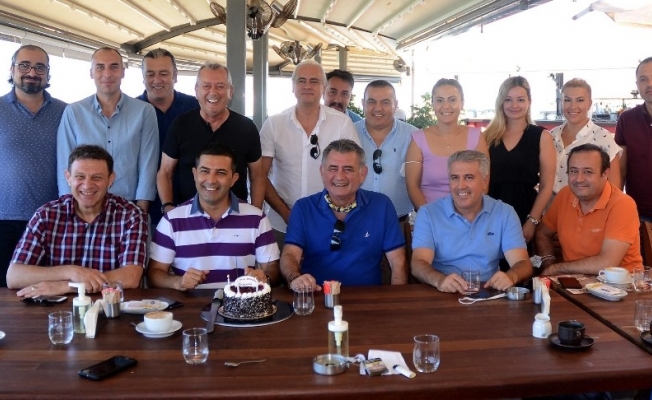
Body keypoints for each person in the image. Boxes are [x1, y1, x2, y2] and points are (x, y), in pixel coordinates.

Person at [6, 145, 148, 297]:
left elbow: (132, 276)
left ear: (110, 179)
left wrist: (68, 286)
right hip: (55, 308)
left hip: (109, 306)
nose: (87, 185)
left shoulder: (131, 216)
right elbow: (14, 276)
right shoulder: (46, 215)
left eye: (97, 177)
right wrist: (72, 272)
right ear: (68, 177)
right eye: (80, 176)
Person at [148, 143, 279, 290]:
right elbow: (154, 274)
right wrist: (177, 282)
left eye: (221, 173)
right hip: (187, 304)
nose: (211, 180)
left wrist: (264, 277)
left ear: (234, 179)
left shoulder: (256, 218)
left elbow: (273, 268)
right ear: (194, 174)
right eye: (205, 171)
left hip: (240, 303)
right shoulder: (171, 221)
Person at [280, 139, 407, 289]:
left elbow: (398, 262)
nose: (340, 176)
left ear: (362, 174)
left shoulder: (381, 205)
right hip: (317, 295)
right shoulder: (303, 208)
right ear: (322, 172)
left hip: (368, 297)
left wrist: (396, 300)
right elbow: (290, 255)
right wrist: (295, 278)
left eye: (348, 169)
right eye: (333, 168)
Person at [261, 60, 359, 246]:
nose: (307, 86)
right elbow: (260, 175)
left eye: (314, 81)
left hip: (330, 223)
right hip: (281, 224)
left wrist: (334, 213)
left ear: (323, 87)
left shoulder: (342, 124)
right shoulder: (274, 124)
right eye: (301, 80)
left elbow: (353, 173)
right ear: (293, 86)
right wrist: (286, 214)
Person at [411, 150, 532, 294]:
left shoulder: (504, 212)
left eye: (469, 177)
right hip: (443, 292)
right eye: (455, 178)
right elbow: (418, 263)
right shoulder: (428, 213)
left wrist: (511, 276)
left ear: (485, 181)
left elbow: (523, 263)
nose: (460, 185)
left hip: (488, 292)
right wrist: (440, 280)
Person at [57, 47, 159, 213]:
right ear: (91, 72)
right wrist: (69, 211)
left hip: (129, 208)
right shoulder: (73, 112)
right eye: (100, 67)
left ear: (123, 72)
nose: (107, 73)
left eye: (114, 67)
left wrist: (141, 210)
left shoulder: (144, 112)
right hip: (84, 207)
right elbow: (65, 164)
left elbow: (148, 163)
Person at [158, 62, 263, 215]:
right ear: (196, 91)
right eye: (206, 86)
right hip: (188, 218)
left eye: (220, 86)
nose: (213, 92)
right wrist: (168, 207)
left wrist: (256, 214)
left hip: (236, 217)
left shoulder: (247, 128)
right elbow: (165, 172)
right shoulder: (180, 125)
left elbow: (258, 176)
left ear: (230, 91)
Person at [0, 45, 67, 287]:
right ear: (12, 69)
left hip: (54, 220)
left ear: (48, 73)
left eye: (40, 67)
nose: (32, 72)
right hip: (4, 219)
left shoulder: (65, 112)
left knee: (51, 292)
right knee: (5, 293)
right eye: (24, 65)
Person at [536, 144, 642, 275]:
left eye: (588, 172)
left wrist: (555, 269)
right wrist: (548, 263)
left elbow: (607, 264)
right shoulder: (565, 195)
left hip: (620, 285)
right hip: (573, 283)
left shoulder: (622, 204)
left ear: (605, 174)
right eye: (574, 171)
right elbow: (542, 233)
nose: (579, 179)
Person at [485, 76, 555, 245]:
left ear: (529, 102)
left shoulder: (542, 136)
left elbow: (546, 186)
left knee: (521, 261)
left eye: (520, 99)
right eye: (508, 99)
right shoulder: (487, 137)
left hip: (525, 211)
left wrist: (532, 221)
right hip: (490, 211)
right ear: (501, 102)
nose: (514, 105)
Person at [136, 48, 199, 225]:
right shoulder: (131, 111)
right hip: (143, 208)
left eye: (164, 73)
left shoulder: (196, 108)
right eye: (150, 74)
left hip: (193, 206)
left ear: (175, 76)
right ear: (143, 77)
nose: (157, 80)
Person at [405, 78, 489, 210]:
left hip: (470, 216)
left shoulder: (477, 137)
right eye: (439, 100)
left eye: (452, 100)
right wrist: (430, 217)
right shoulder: (418, 139)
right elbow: (412, 186)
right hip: (430, 217)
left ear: (462, 103)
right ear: (432, 104)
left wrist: (467, 216)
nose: (446, 106)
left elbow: (484, 183)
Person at [354, 80, 417, 220]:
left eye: (385, 102)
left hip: (398, 223)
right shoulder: (350, 133)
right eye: (371, 102)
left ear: (395, 105)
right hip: (355, 221)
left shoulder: (414, 137)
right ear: (363, 104)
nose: (378, 108)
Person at [549, 78, 621, 194]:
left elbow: (615, 189)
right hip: (551, 203)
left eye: (580, 100)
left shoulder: (603, 138)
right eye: (567, 100)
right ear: (561, 103)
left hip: (586, 204)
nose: (573, 106)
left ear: (589, 104)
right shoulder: (551, 136)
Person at [615, 57, 652, 221]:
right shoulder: (627, 120)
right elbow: (620, 170)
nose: (650, 84)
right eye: (643, 79)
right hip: (637, 213)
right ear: (637, 85)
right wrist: (615, 208)